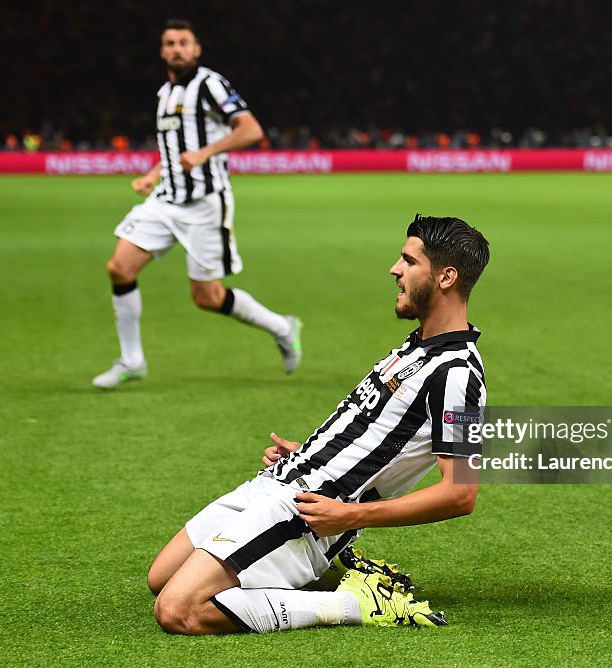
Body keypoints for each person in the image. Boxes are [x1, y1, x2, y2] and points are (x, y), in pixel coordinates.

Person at [146, 215, 489, 634]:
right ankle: (335, 568)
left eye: (408, 261)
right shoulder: (417, 345)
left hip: (306, 511)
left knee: (177, 610)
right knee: (159, 578)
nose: (394, 269)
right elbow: (373, 430)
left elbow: (461, 493)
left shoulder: (459, 374)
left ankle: (354, 603)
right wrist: (309, 452)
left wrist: (347, 516)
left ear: (446, 277)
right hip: (279, 480)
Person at [93, 19, 301, 389]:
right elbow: (173, 148)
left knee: (206, 297)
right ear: (162, 51)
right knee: (119, 268)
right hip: (165, 201)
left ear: (196, 49)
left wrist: (205, 153)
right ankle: (132, 360)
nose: (176, 49)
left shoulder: (210, 84)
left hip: (205, 205)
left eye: (183, 43)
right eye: (169, 43)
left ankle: (282, 327)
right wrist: (153, 174)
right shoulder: (164, 94)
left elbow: (251, 130)